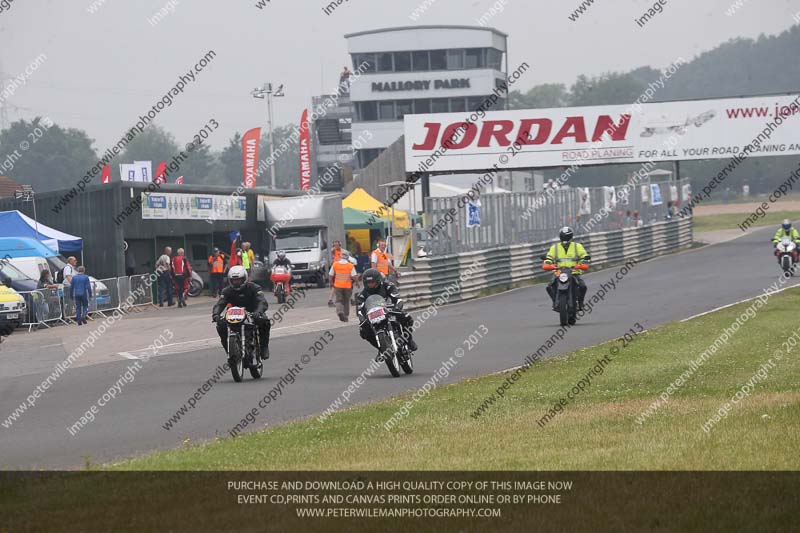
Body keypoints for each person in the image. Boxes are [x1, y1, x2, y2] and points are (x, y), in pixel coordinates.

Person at [212, 266, 271, 360]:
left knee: (264, 321)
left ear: (244, 278)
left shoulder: (254, 287)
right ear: (230, 280)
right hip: (234, 315)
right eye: (234, 280)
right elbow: (220, 303)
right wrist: (216, 314)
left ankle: (264, 347)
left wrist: (258, 312)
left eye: (239, 280)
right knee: (221, 325)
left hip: (252, 313)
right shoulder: (226, 291)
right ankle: (229, 349)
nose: (236, 282)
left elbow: (262, 301)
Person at [356, 268, 418, 356]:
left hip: (390, 310)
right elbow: (359, 310)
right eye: (368, 282)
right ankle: (381, 348)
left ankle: (408, 339)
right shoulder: (362, 295)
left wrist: (397, 308)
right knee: (363, 331)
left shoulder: (388, 286)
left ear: (378, 280)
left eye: (372, 282)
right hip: (374, 315)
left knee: (406, 318)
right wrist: (362, 320)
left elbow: (398, 299)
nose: (370, 284)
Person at [543, 227, 590, 311]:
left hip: (574, 272)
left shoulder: (577, 246)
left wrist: (582, 263)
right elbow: (549, 258)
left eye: (567, 237)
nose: (565, 239)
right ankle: (555, 302)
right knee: (549, 287)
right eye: (563, 237)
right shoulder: (555, 247)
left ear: (571, 237)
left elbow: (584, 256)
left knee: (583, 286)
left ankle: (580, 302)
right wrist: (548, 264)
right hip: (559, 273)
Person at [329, 250, 358, 322]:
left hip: (338, 286)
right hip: (347, 286)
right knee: (346, 301)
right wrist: (357, 282)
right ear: (347, 257)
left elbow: (330, 275)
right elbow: (354, 276)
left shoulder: (335, 264)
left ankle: (339, 311)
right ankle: (346, 316)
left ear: (341, 256)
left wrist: (331, 283)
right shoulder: (350, 265)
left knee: (339, 300)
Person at [328, 241, 343, 306]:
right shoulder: (334, 251)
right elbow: (332, 250)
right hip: (336, 270)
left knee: (345, 285)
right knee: (335, 286)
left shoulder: (342, 252)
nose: (336, 246)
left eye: (337, 245)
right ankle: (330, 300)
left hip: (341, 269)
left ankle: (331, 300)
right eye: (335, 245)